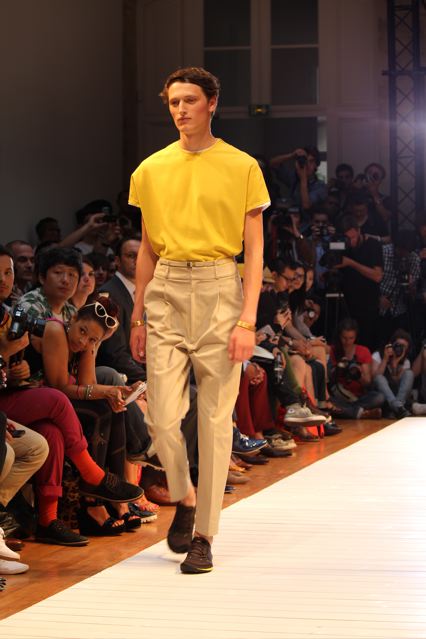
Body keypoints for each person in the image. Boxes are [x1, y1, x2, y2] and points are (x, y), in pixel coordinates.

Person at [128, 66, 270, 574]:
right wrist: (137, 314)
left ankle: (204, 534)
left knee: (213, 420)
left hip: (220, 289)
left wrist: (248, 319)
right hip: (166, 288)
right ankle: (185, 496)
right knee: (161, 418)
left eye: (189, 100)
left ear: (212, 103)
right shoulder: (150, 169)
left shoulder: (242, 166)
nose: (180, 110)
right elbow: (147, 248)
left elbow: (254, 250)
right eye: (173, 102)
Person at [328, 318, 384, 419]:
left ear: (356, 336)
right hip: (339, 395)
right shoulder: (333, 350)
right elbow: (329, 378)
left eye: (351, 338)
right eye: (344, 338)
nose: (347, 341)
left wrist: (358, 374)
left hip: (359, 397)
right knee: (326, 401)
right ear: (339, 336)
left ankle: (349, 411)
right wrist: (339, 368)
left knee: (379, 397)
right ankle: (361, 413)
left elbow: (367, 382)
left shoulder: (363, 351)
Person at [372, 329, 414, 419]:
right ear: (391, 345)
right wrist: (385, 359)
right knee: (379, 378)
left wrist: (395, 364)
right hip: (382, 395)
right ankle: (398, 408)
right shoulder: (378, 355)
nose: (400, 348)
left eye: (403, 346)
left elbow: (396, 384)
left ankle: (396, 409)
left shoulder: (406, 362)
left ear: (407, 349)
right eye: (398, 345)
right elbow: (375, 378)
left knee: (409, 373)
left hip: (397, 396)